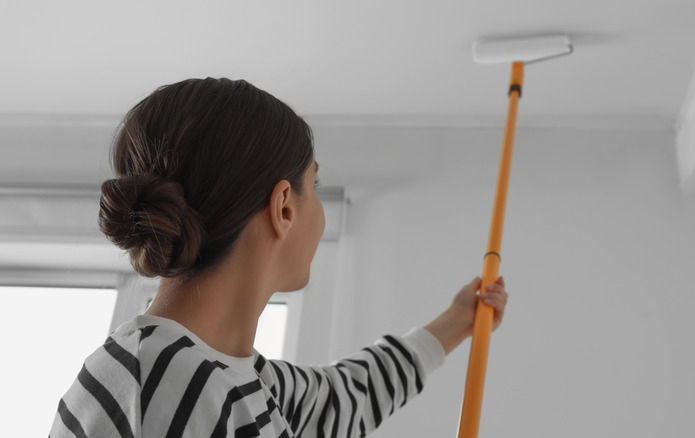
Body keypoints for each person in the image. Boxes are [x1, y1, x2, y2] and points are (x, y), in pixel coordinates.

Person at [49, 77, 508, 438]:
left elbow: (344, 398)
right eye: (317, 185)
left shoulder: (231, 377)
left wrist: (458, 321)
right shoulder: (167, 379)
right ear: (284, 207)